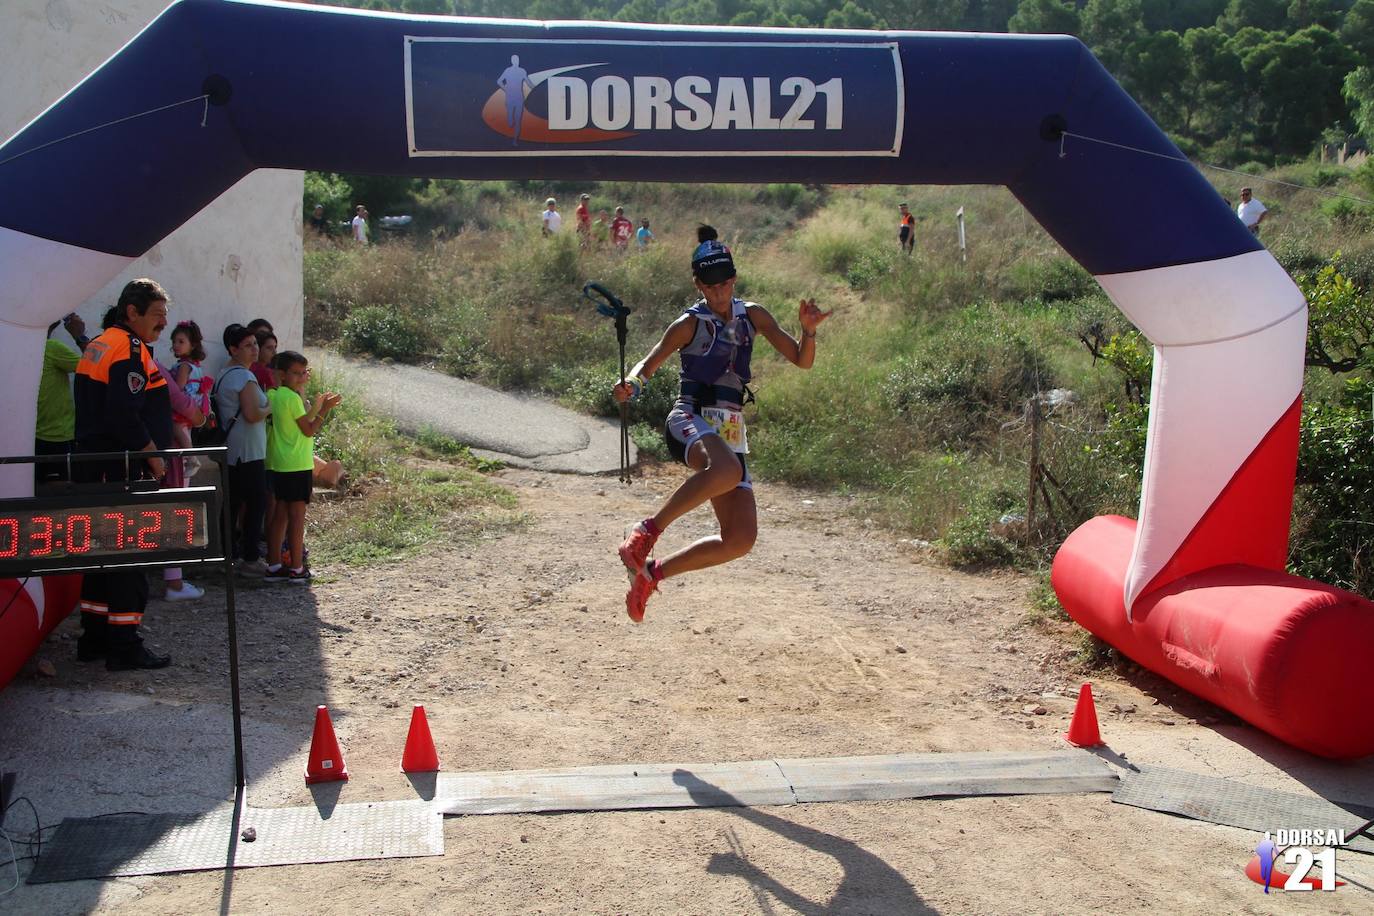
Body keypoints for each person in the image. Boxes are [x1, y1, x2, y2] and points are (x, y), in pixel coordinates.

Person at [612, 226, 832, 622]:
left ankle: (650, 574)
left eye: (726, 284)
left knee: (740, 540)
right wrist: (632, 383)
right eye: (710, 287)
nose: (719, 294)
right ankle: (645, 532)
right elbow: (650, 362)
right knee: (727, 470)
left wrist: (809, 331)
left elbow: (802, 360)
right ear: (698, 284)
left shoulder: (755, 316)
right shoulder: (688, 324)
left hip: (731, 430)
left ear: (734, 279)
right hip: (689, 418)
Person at [73, 279, 175, 670]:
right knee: (128, 559)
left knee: (100, 556)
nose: (163, 324)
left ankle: (96, 638)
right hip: (118, 468)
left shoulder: (101, 342)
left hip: (97, 465)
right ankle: (124, 645)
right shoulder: (126, 347)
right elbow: (124, 415)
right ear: (132, 313)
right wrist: (152, 456)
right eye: (158, 316)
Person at [264, 351, 341, 584]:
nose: (301, 377)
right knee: (297, 517)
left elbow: (296, 422)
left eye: (303, 372)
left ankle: (274, 565)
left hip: (277, 463)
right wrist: (324, 409)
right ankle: (297, 568)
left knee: (280, 514)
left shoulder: (274, 395)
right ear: (282, 374)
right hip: (296, 464)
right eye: (295, 373)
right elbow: (307, 429)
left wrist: (315, 406)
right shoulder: (291, 398)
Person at [215, 324, 272, 575]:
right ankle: (250, 557)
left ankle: (228, 556)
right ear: (233, 349)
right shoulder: (243, 376)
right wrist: (269, 407)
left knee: (233, 503)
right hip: (247, 452)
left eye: (255, 344)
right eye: (248, 345)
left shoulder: (224, 373)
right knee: (256, 502)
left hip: (233, 450)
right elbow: (251, 414)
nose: (255, 350)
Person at [154, 349, 206, 601]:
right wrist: (198, 416)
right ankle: (174, 582)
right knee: (176, 513)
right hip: (169, 449)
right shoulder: (153, 364)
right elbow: (181, 402)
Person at [34, 313, 89, 483]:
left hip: (30, 438)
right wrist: (79, 335)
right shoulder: (51, 348)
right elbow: (95, 365)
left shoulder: (19, 348)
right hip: (58, 437)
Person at [496, 54, 533, 144]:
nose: (517, 61)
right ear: (513, 61)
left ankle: (515, 140)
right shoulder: (508, 70)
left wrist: (537, 88)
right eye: (515, 60)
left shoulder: (522, 71)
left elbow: (529, 83)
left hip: (519, 98)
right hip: (510, 98)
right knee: (510, 121)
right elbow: (499, 81)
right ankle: (510, 121)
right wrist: (506, 89)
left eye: (517, 60)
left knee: (518, 120)